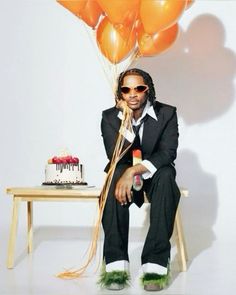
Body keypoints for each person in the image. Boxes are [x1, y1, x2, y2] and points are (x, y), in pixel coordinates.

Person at [99, 68, 180, 291]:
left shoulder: (167, 113)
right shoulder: (109, 117)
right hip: (122, 172)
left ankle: (154, 266)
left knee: (166, 177)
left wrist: (133, 172)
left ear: (148, 90)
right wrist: (124, 121)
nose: (133, 94)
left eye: (139, 88)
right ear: (120, 94)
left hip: (153, 173)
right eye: (126, 89)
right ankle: (116, 267)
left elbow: (167, 153)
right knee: (114, 175)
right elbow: (114, 155)